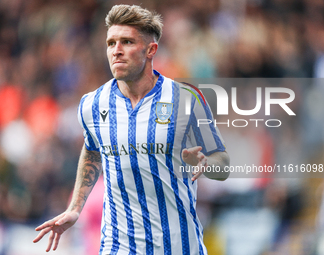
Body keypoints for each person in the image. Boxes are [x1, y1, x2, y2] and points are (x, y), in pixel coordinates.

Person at [33, 4, 230, 254]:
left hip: (179, 246)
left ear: (151, 50)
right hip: (119, 247)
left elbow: (222, 164)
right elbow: (93, 149)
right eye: (111, 43)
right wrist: (75, 208)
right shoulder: (93, 104)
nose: (116, 51)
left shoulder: (186, 98)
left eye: (126, 42)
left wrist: (206, 164)